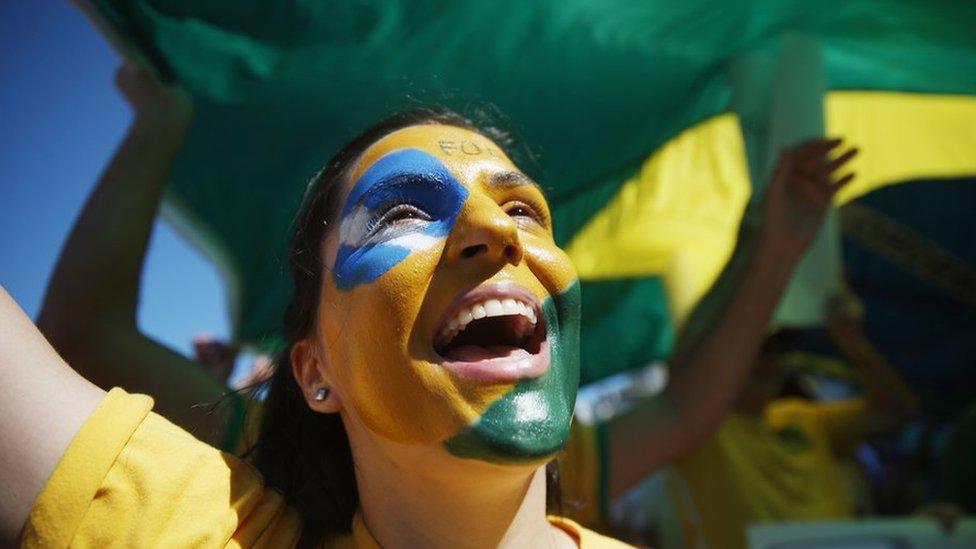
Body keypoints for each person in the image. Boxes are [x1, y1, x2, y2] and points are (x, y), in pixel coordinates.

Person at [7, 62, 856, 547]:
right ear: (315, 370)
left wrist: (774, 246)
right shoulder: (222, 530)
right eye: (406, 211)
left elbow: (680, 407)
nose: (497, 230)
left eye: (525, 208)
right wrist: (163, 119)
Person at [667, 297, 919, 549]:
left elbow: (897, 412)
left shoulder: (802, 416)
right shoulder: (701, 428)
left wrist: (853, 343)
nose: (771, 361)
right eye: (757, 349)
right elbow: (679, 379)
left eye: (779, 348)